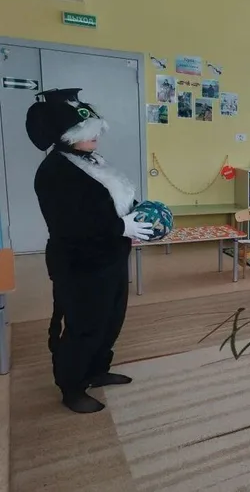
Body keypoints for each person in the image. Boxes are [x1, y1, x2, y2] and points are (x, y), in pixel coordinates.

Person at [26, 88, 154, 414]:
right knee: (84, 326)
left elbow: (115, 198)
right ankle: (71, 387)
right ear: (66, 135)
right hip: (80, 263)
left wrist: (140, 215)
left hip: (111, 256)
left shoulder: (92, 160)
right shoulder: (56, 170)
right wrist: (120, 227)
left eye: (96, 129)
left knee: (111, 320)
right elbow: (71, 223)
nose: (96, 135)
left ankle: (97, 370)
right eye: (88, 131)